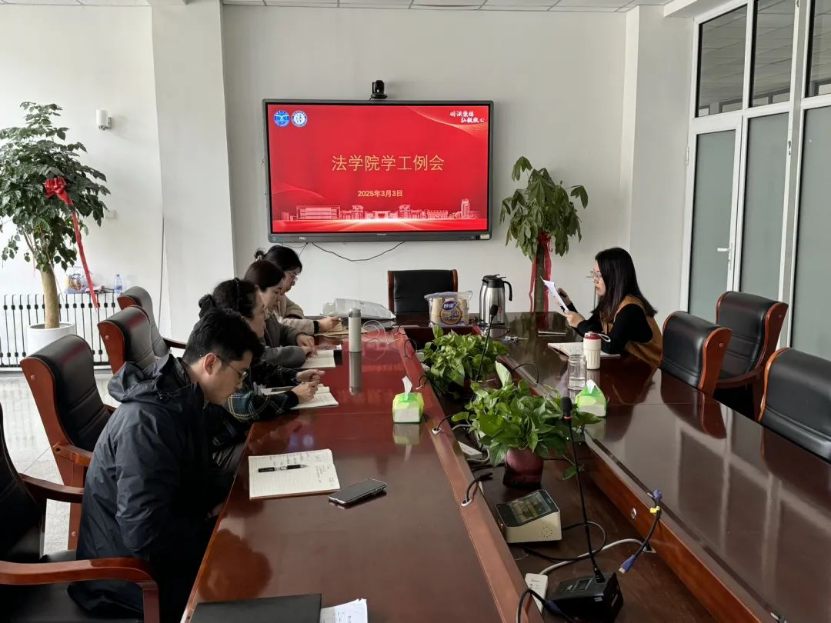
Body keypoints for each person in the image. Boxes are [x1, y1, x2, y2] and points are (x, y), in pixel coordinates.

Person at [68, 309, 264, 622]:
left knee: (259, 555)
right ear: (211, 363)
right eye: (240, 374)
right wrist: (211, 527)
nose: (240, 385)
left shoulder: (184, 396)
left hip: (157, 553)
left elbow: (193, 476)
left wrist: (238, 485)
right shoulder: (149, 423)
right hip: (128, 581)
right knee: (251, 589)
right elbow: (144, 535)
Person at [198, 278, 322, 439]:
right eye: (261, 312)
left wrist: (296, 376)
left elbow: (263, 370)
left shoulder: (240, 343)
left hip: (244, 434)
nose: (267, 316)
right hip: (228, 446)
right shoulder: (221, 353)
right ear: (242, 320)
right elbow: (246, 407)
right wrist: (294, 396)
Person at [558, 247, 663, 367]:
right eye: (594, 274)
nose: (594, 280)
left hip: (648, 371)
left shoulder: (631, 309)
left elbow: (611, 345)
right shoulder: (609, 302)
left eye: (599, 275)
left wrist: (580, 324)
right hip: (628, 366)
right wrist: (567, 305)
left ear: (615, 277)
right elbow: (592, 329)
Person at [244, 259, 317, 367]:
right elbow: (263, 356)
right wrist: (299, 353)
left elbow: (281, 330)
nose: (279, 299)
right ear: (257, 290)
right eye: (276, 292)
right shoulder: (246, 320)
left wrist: (297, 336)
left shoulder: (267, 314)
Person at [255, 245, 340, 335]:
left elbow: (295, 308)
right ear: (278, 271)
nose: (293, 283)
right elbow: (278, 325)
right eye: (292, 276)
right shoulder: (263, 295)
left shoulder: (280, 294)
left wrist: (292, 319)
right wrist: (318, 325)